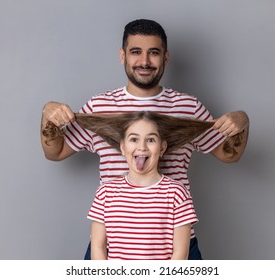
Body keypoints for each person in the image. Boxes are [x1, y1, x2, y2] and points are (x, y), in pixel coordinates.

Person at [40, 19, 249, 259]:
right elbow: (54, 152)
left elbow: (229, 155)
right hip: (113, 246)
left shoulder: (188, 108)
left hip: (176, 245)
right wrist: (48, 116)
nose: (145, 62)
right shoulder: (99, 107)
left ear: (166, 57)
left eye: (154, 53)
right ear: (123, 56)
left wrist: (242, 122)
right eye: (136, 52)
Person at [43, 111, 242, 259]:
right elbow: (98, 248)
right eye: (134, 139)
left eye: (151, 140)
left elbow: (180, 256)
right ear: (122, 147)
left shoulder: (176, 193)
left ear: (162, 148)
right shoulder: (105, 193)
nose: (142, 146)